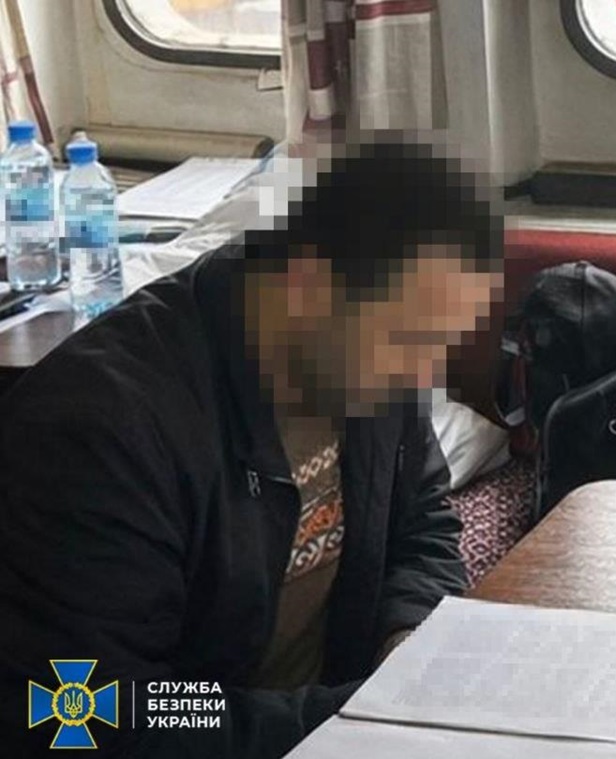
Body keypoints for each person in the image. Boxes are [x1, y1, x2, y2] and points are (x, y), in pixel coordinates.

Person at [0, 134, 504, 757]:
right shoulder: (98, 433)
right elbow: (85, 709)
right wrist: (350, 718)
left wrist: (408, 638)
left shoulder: (372, 369)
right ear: (305, 286)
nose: (424, 374)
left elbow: (422, 524)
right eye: (411, 339)